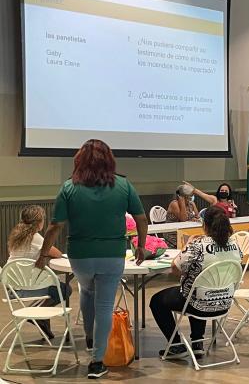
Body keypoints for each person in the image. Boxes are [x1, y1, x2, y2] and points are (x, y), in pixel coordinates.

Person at [35, 139, 148, 380]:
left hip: (80, 256)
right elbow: (141, 218)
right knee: (105, 305)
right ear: (109, 160)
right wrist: (140, 246)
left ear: (79, 161)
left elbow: (55, 226)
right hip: (112, 254)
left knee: (86, 292)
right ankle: (97, 362)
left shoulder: (68, 188)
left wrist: (44, 254)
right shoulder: (124, 185)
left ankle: (88, 339)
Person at [150, 206, 242, 359]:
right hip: (224, 303)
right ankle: (197, 343)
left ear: (205, 225)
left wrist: (188, 245)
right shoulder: (235, 246)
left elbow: (175, 269)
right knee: (198, 289)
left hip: (198, 304)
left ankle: (175, 345)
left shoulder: (198, 246)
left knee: (157, 300)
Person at [7, 205, 72, 339]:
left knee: (56, 288)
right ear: (39, 222)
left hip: (13, 289)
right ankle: (39, 315)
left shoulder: (16, 235)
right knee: (65, 290)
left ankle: (42, 319)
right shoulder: (35, 237)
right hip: (28, 288)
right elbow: (58, 254)